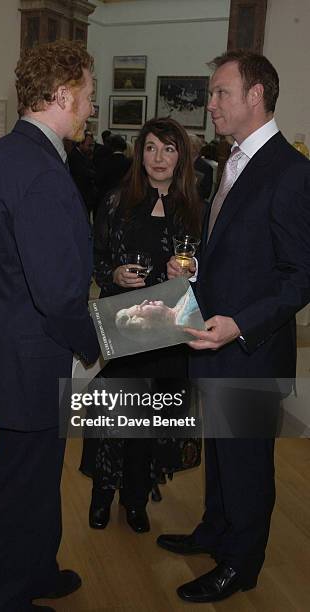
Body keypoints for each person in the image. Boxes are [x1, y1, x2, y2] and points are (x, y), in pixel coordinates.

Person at [159, 50, 310, 603]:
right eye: (211, 92)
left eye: (221, 92)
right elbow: (241, 253)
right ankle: (215, 532)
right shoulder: (233, 160)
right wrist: (196, 269)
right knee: (221, 453)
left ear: (256, 96)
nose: (210, 103)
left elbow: (301, 277)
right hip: (213, 340)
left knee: (246, 464)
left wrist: (240, 324)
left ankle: (241, 563)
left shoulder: (291, 172)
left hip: (249, 348)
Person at [0, 41, 99, 612]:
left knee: (38, 478)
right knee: (16, 487)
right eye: (88, 97)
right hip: (32, 362)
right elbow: (59, 294)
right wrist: (96, 347)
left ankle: (36, 569)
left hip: (4, 353)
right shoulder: (41, 172)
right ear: (63, 95)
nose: (91, 108)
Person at [79, 117, 202, 533]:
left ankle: (135, 500)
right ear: (139, 153)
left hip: (169, 331)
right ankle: (102, 496)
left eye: (168, 148)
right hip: (123, 325)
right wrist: (113, 275)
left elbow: (209, 267)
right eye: (151, 148)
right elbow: (94, 258)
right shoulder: (116, 201)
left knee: (148, 423)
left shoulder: (193, 209)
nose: (159, 157)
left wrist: (189, 273)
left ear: (180, 155)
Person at [115, 288, 200, 334]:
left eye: (138, 304)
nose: (145, 301)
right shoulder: (184, 321)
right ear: (147, 322)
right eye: (140, 308)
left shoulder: (178, 307)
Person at [68, 130, 97, 215]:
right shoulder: (74, 156)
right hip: (80, 195)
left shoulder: (84, 155)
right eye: (89, 145)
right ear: (80, 144)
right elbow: (84, 173)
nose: (91, 148)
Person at [188, 133, 214, 200]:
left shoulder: (205, 168)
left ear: (195, 148)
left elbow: (206, 192)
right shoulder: (179, 163)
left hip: (195, 204)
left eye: (187, 145)